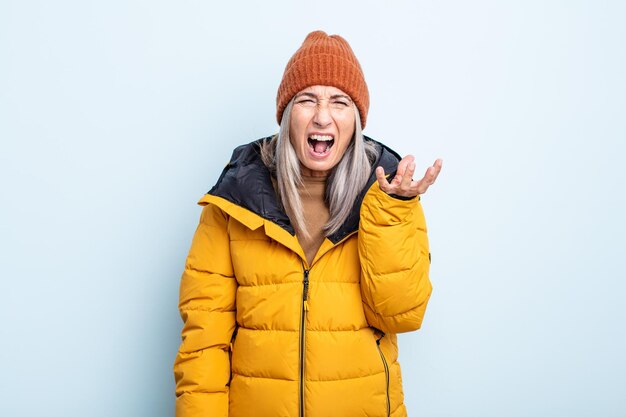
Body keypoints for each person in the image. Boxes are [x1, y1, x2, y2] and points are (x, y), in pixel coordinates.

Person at [173, 30, 442, 417]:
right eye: (306, 100)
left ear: (356, 119)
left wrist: (393, 215)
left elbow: (402, 313)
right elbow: (203, 345)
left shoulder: (387, 199)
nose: (322, 116)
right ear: (286, 114)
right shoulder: (232, 203)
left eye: (339, 101)